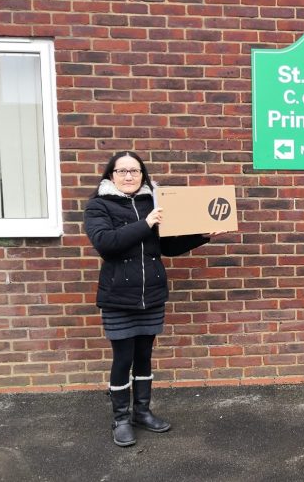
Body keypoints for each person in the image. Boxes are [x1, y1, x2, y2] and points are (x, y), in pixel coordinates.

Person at [84, 151, 222, 447]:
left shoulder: (154, 201)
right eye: (122, 171)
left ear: (143, 175)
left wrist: (202, 235)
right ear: (111, 175)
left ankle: (142, 412)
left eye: (135, 171)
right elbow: (107, 244)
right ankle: (121, 418)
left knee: (144, 356)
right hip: (118, 297)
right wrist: (146, 223)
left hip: (152, 295)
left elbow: (168, 246)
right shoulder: (99, 205)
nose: (129, 176)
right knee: (123, 358)